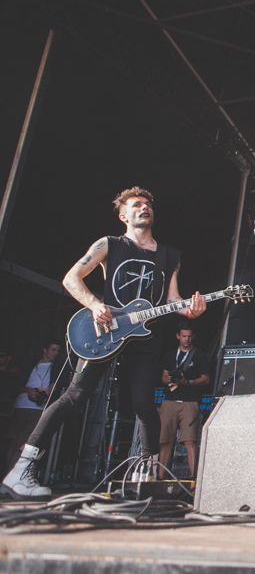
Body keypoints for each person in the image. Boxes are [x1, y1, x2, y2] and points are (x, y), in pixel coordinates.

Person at [1, 187, 206, 500]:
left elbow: (172, 299)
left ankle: (146, 475)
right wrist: (95, 305)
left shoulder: (169, 255)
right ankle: (21, 469)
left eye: (148, 204)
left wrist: (190, 310)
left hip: (144, 334)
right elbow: (72, 278)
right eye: (136, 204)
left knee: (144, 403)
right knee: (75, 394)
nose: (144, 207)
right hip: (105, 329)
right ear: (123, 215)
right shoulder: (109, 244)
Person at [158, 322, 210, 479]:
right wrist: (170, 379)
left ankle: (194, 480)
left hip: (190, 402)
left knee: (190, 441)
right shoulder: (170, 354)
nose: (186, 339)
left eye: (189, 336)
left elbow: (206, 379)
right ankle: (160, 478)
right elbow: (163, 377)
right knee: (166, 441)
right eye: (183, 336)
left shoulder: (199, 354)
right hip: (170, 400)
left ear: (193, 337)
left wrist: (187, 382)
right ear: (177, 336)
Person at [4, 342, 61, 475]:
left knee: (24, 442)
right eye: (53, 349)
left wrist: (54, 386)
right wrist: (28, 390)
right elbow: (15, 386)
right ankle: (7, 474)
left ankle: (12, 476)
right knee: (13, 442)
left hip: (39, 408)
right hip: (21, 405)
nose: (55, 353)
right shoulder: (30, 366)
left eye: (58, 351)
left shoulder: (57, 369)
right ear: (45, 350)